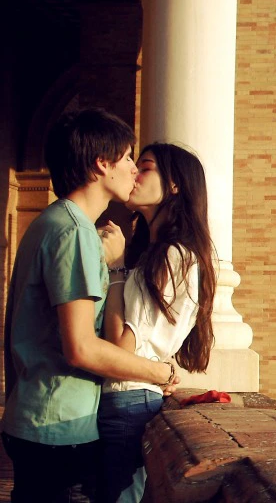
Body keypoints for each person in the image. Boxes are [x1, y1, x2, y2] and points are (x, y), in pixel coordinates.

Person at [1, 109, 180, 502]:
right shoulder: (74, 231)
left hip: (34, 419)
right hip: (57, 426)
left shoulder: (51, 222)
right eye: (129, 157)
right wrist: (159, 372)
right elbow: (80, 347)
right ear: (102, 163)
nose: (134, 169)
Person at [98, 143, 217, 503]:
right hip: (128, 395)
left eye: (145, 166)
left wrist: (116, 268)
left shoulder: (174, 255)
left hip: (126, 399)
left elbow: (122, 347)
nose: (134, 172)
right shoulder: (152, 252)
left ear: (176, 185)